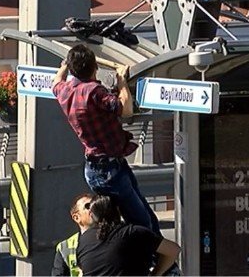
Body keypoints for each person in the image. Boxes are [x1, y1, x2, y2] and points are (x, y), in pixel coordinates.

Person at [52, 44, 160, 234]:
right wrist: (121, 81)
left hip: (98, 168)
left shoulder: (65, 91)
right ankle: (153, 259)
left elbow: (55, 83)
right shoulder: (94, 91)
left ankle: (158, 256)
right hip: (110, 170)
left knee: (144, 218)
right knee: (142, 223)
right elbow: (125, 110)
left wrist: (63, 66)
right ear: (95, 68)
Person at [76, 195, 180, 276]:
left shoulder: (82, 242)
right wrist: (156, 274)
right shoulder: (133, 232)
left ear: (91, 215)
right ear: (118, 211)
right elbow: (173, 250)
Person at [51, 193, 94, 276]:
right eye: (88, 206)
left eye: (96, 205)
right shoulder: (65, 247)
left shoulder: (114, 238)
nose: (94, 209)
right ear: (76, 217)